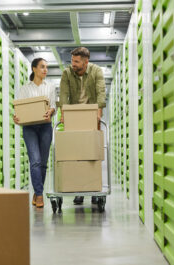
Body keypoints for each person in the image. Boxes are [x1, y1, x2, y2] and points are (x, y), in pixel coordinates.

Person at [59, 47, 106, 205]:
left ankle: (93, 189)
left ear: (86, 62)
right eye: (72, 60)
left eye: (77, 61)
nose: (73, 64)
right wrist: (64, 114)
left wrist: (99, 112)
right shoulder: (67, 73)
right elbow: (64, 94)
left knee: (92, 155)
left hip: (92, 114)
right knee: (75, 156)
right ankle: (79, 190)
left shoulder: (96, 71)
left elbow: (100, 91)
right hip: (74, 115)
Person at [14, 58, 56, 208]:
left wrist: (51, 111)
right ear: (34, 69)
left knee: (43, 164)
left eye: (46, 67)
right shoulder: (24, 89)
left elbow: (52, 107)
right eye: (42, 67)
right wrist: (16, 117)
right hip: (29, 128)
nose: (45, 70)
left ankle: (37, 191)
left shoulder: (50, 87)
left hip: (45, 127)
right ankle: (39, 194)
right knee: (35, 161)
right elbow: (19, 109)